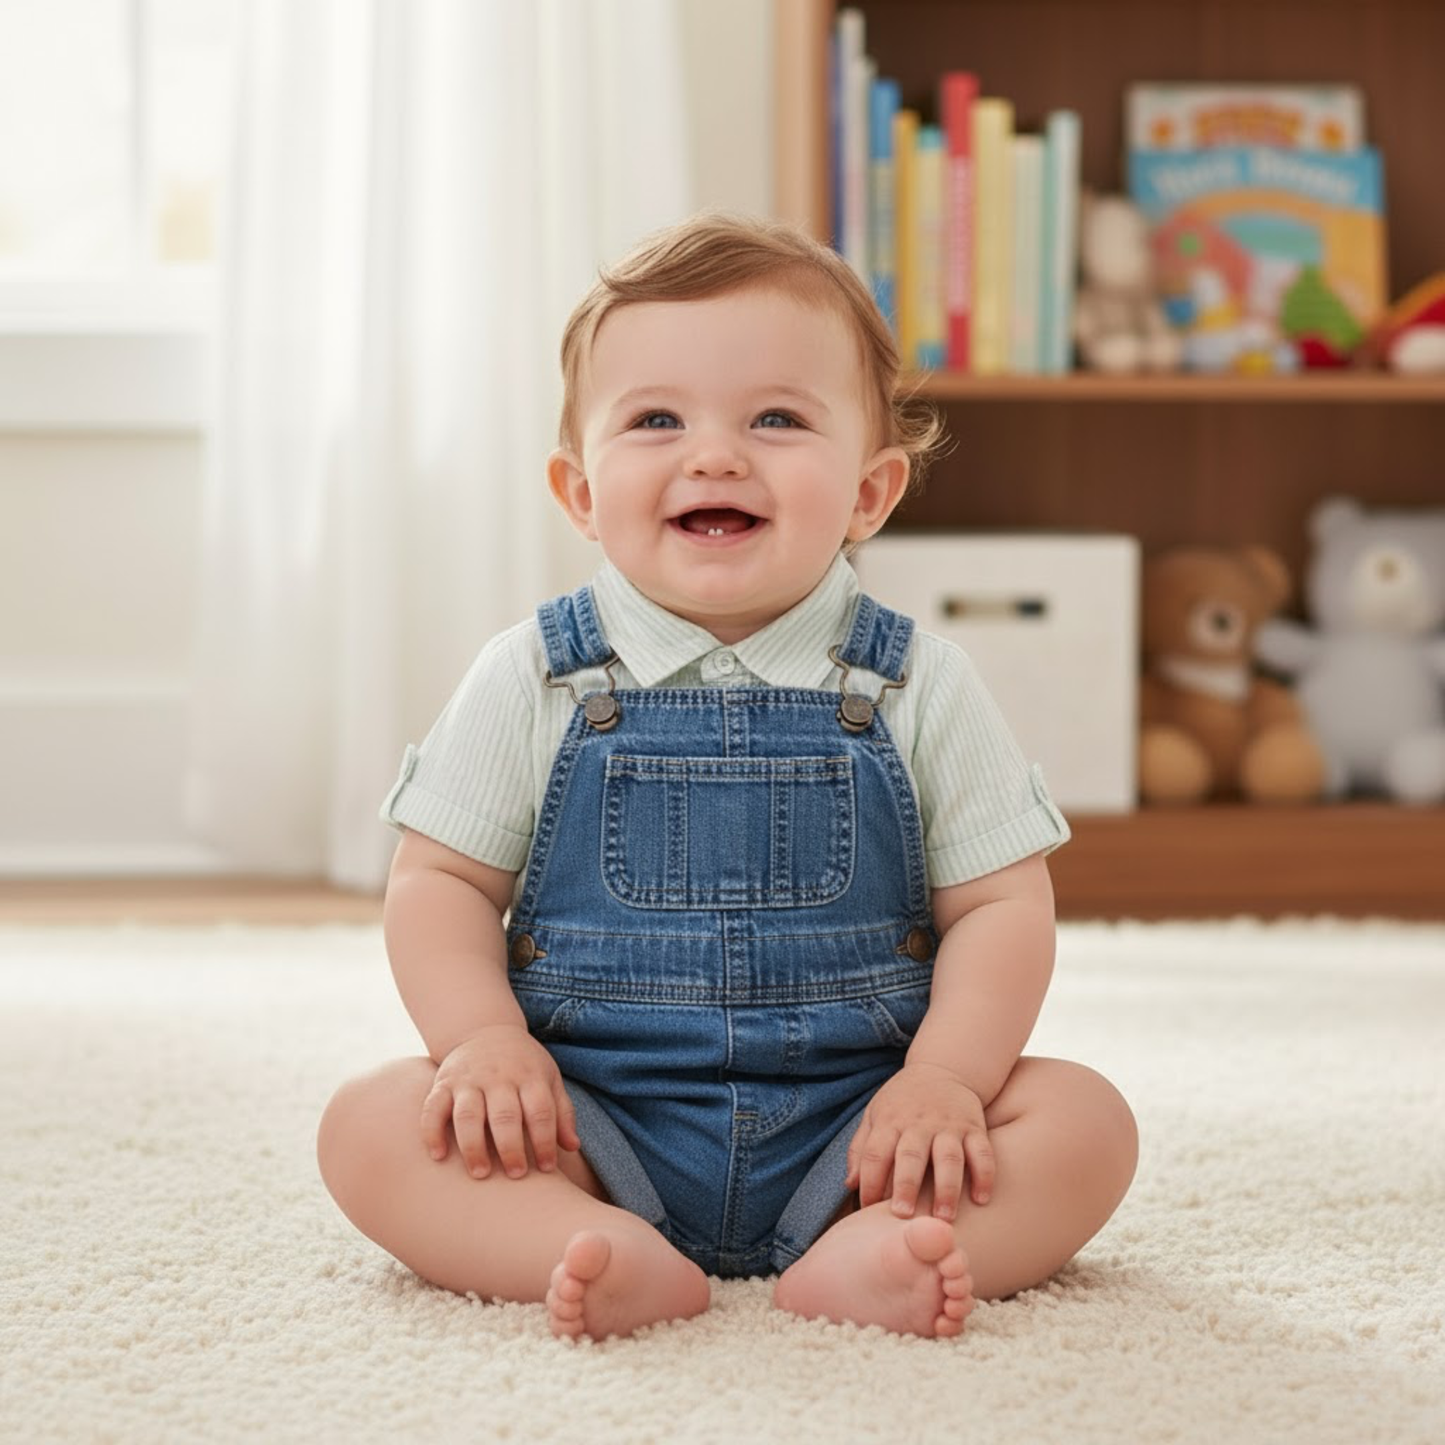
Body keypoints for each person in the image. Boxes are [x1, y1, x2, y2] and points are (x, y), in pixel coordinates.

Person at [317, 214, 1138, 1343]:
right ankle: (568, 1238)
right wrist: (481, 1043)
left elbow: (1000, 902)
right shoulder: (532, 674)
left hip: (863, 1127)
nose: (714, 454)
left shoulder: (919, 683)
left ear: (867, 492)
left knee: (1084, 1120)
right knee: (369, 1122)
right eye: (656, 419)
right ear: (579, 491)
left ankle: (867, 1248)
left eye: (776, 419)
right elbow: (438, 882)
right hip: (585, 1121)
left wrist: (945, 1078)